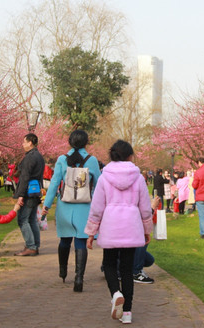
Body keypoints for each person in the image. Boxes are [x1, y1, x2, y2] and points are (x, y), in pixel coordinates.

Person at [85, 140, 157, 324]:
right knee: (127, 269)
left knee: (109, 264)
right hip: (131, 225)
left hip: (111, 224)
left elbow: (97, 207)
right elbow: (145, 207)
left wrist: (91, 232)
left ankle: (115, 293)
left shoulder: (104, 176)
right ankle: (127, 313)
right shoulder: (138, 177)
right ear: (130, 155)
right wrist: (147, 229)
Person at [42, 130, 101, 291]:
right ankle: (79, 278)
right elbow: (98, 185)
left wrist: (46, 205)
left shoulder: (62, 160)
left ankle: (63, 271)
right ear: (86, 142)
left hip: (65, 206)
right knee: (81, 241)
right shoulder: (92, 161)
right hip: (84, 207)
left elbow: (54, 184)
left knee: (65, 239)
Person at [14, 133, 45, 257]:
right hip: (35, 191)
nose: (22, 144)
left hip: (28, 193)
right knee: (32, 219)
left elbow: (25, 177)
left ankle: (31, 246)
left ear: (30, 142)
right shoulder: (39, 156)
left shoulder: (30, 157)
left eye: (24, 142)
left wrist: (20, 195)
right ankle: (35, 245)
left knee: (22, 219)